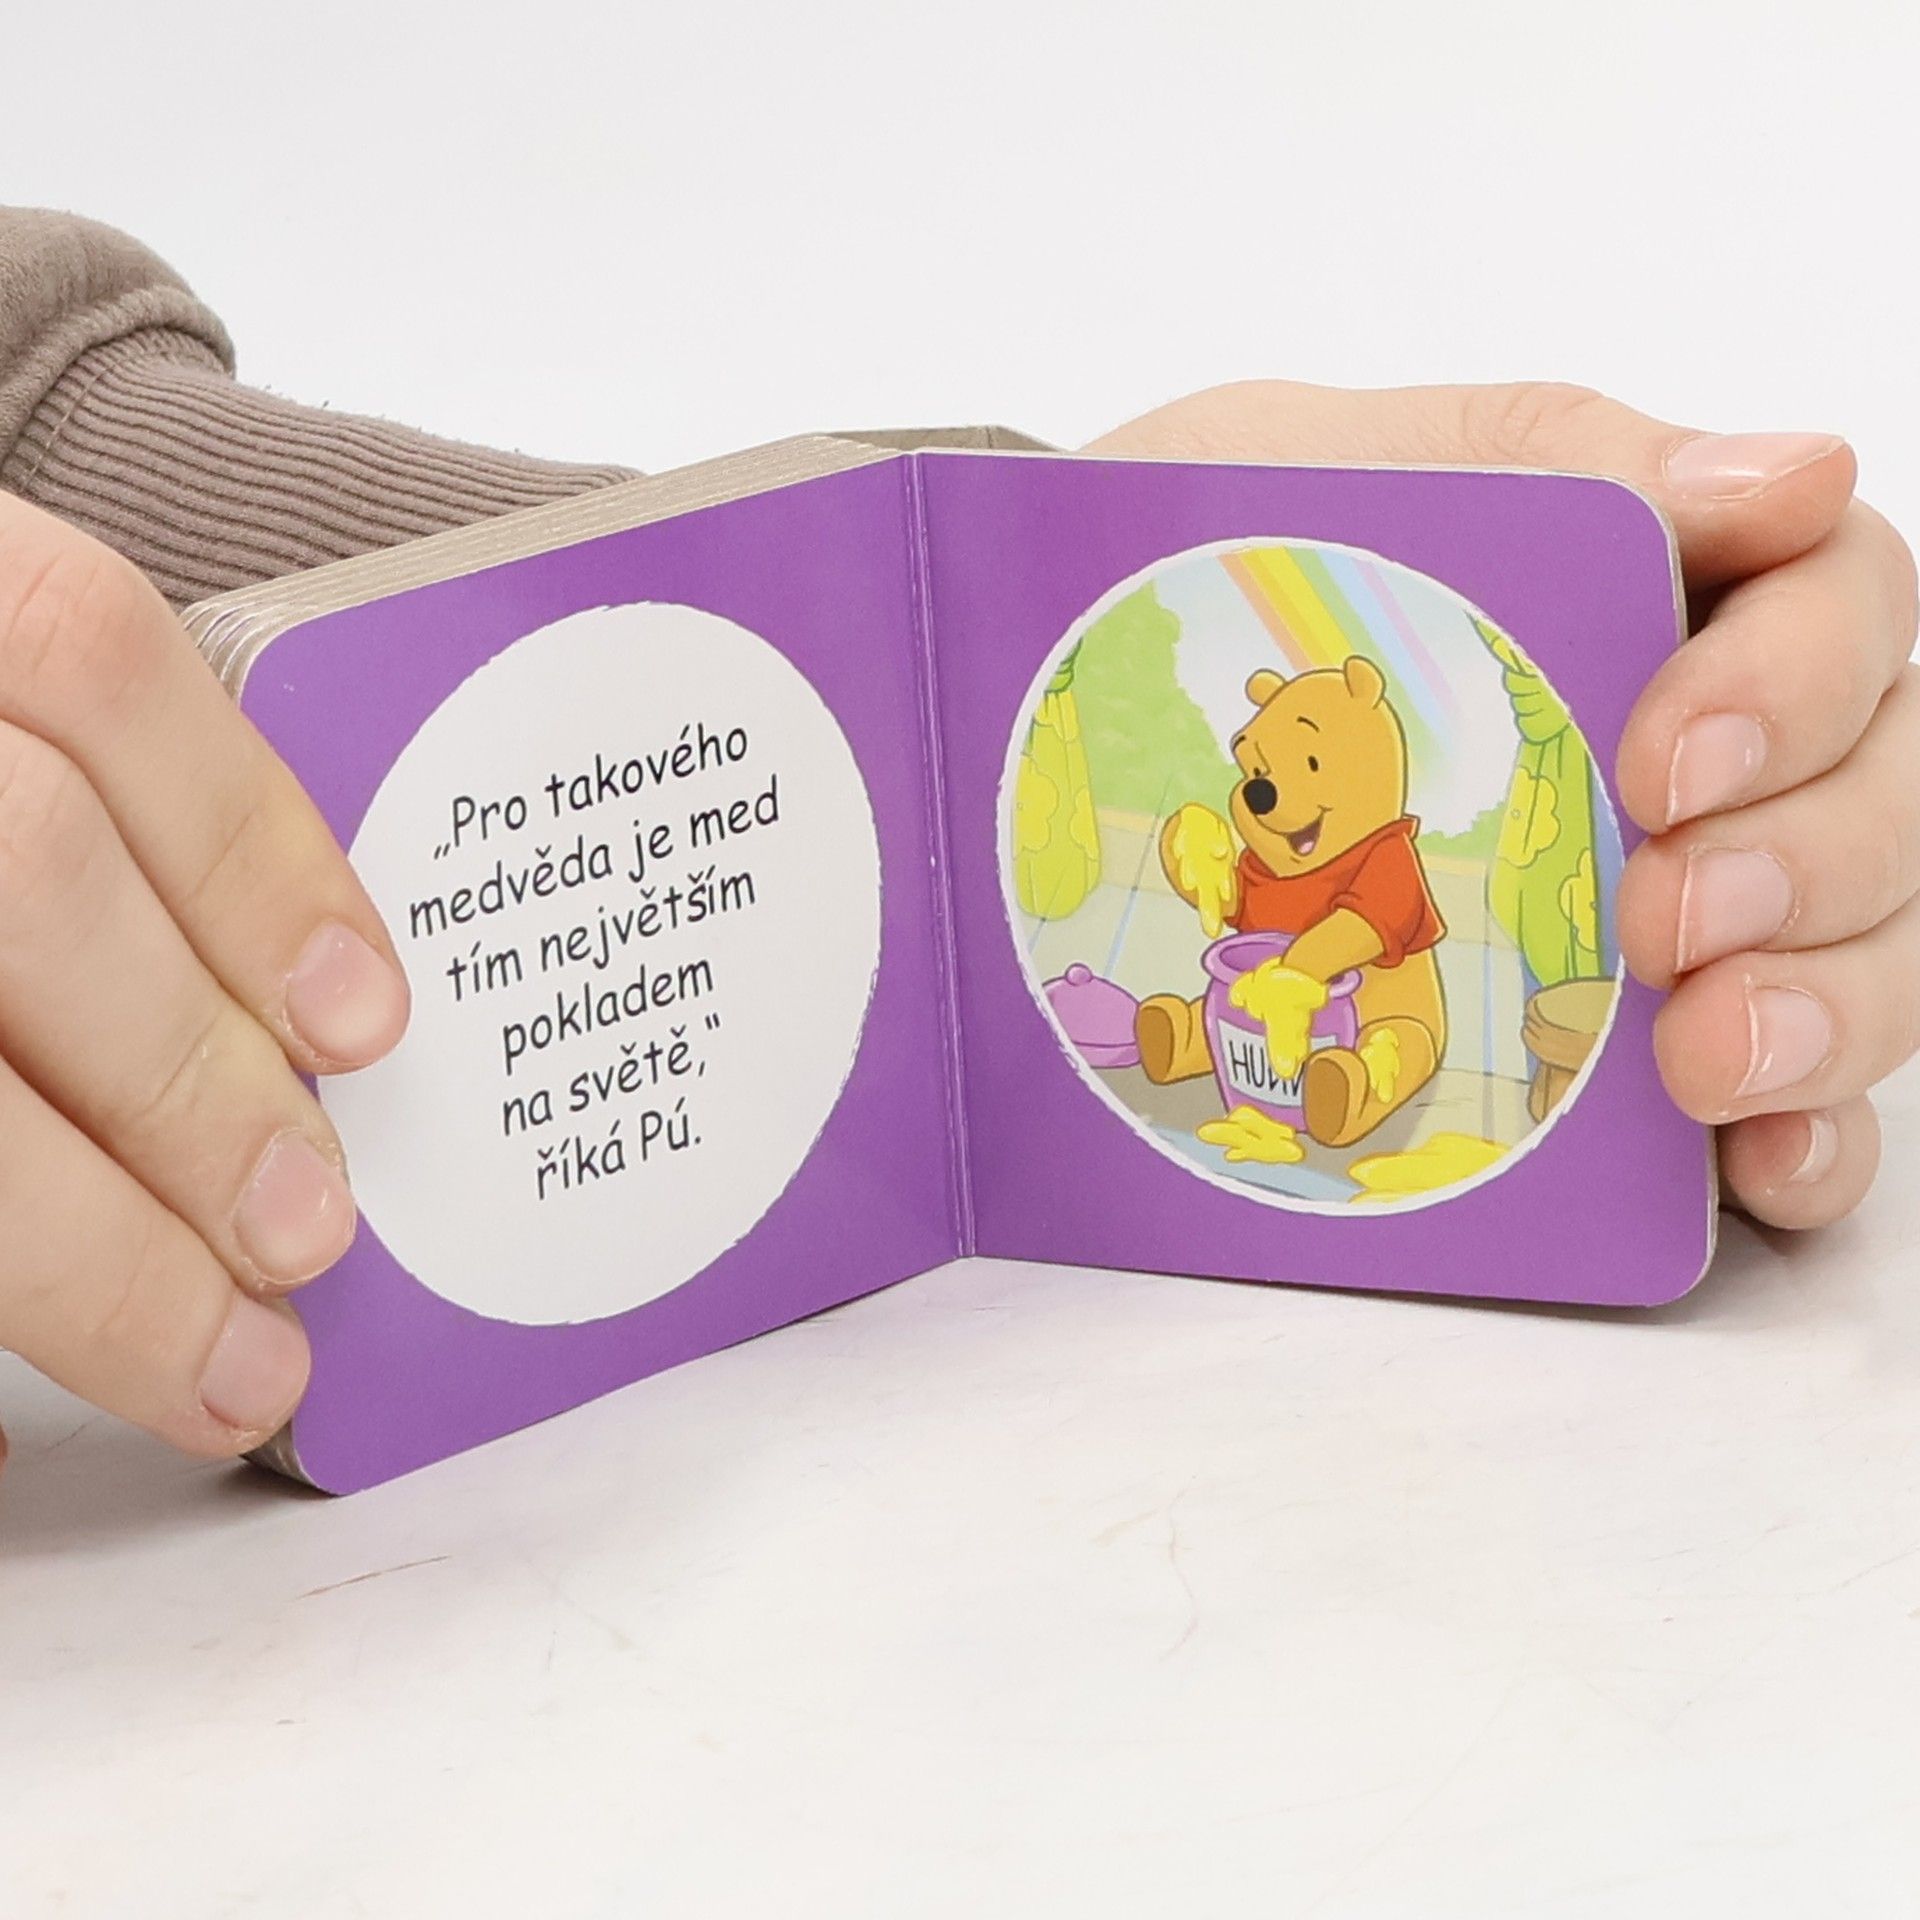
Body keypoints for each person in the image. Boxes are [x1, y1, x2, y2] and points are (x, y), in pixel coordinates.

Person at [1, 208, 1913, 1472]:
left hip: (1362, 1001)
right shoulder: (1264, 826)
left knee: (1395, 1023)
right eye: (1265, 766)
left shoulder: (1389, 854)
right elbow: (1225, 868)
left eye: (1291, 767)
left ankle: (1330, 1082)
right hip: (1252, 998)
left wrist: (982, 600)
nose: (1264, 792)